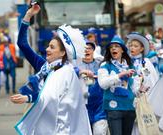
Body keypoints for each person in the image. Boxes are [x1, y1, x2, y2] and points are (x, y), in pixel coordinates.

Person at [10, 4, 92, 135]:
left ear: (62, 53)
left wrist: (28, 97)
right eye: (48, 46)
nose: (47, 49)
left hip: (59, 126)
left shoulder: (66, 72)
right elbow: (22, 44)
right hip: (43, 117)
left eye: (52, 47)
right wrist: (28, 16)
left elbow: (50, 96)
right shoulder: (44, 66)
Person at [97, 36, 139, 135]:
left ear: (122, 50)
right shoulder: (105, 65)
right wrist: (120, 75)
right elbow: (103, 84)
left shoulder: (130, 66)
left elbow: (134, 87)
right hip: (113, 108)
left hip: (129, 107)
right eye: (111, 47)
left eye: (116, 46)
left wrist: (140, 89)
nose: (113, 49)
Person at [77, 40, 108, 135]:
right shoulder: (76, 65)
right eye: (84, 49)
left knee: (99, 132)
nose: (87, 51)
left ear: (93, 51)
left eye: (89, 48)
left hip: (99, 105)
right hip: (81, 106)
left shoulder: (101, 65)